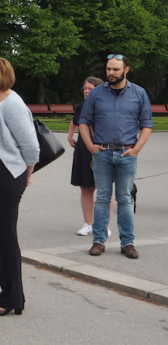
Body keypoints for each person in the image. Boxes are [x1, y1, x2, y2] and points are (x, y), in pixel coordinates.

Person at [0, 58, 39, 316]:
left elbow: (32, 147)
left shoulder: (12, 104)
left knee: (6, 238)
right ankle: (11, 294)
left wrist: (26, 176)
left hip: (6, 176)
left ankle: (11, 298)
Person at [78, 55, 152, 259]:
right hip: (102, 153)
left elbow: (147, 124)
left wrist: (136, 149)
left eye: (115, 70)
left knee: (125, 199)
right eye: (109, 69)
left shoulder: (139, 93)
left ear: (126, 70)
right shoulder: (97, 94)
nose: (110, 73)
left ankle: (127, 243)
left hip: (127, 153)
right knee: (101, 198)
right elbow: (83, 121)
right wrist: (91, 146)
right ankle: (98, 241)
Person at [68, 76, 110, 236]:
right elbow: (74, 120)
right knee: (86, 187)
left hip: (103, 149)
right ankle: (88, 223)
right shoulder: (81, 107)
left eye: (90, 89)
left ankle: (104, 225)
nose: (86, 91)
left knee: (104, 189)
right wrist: (70, 135)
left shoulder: (106, 106)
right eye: (85, 89)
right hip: (83, 150)